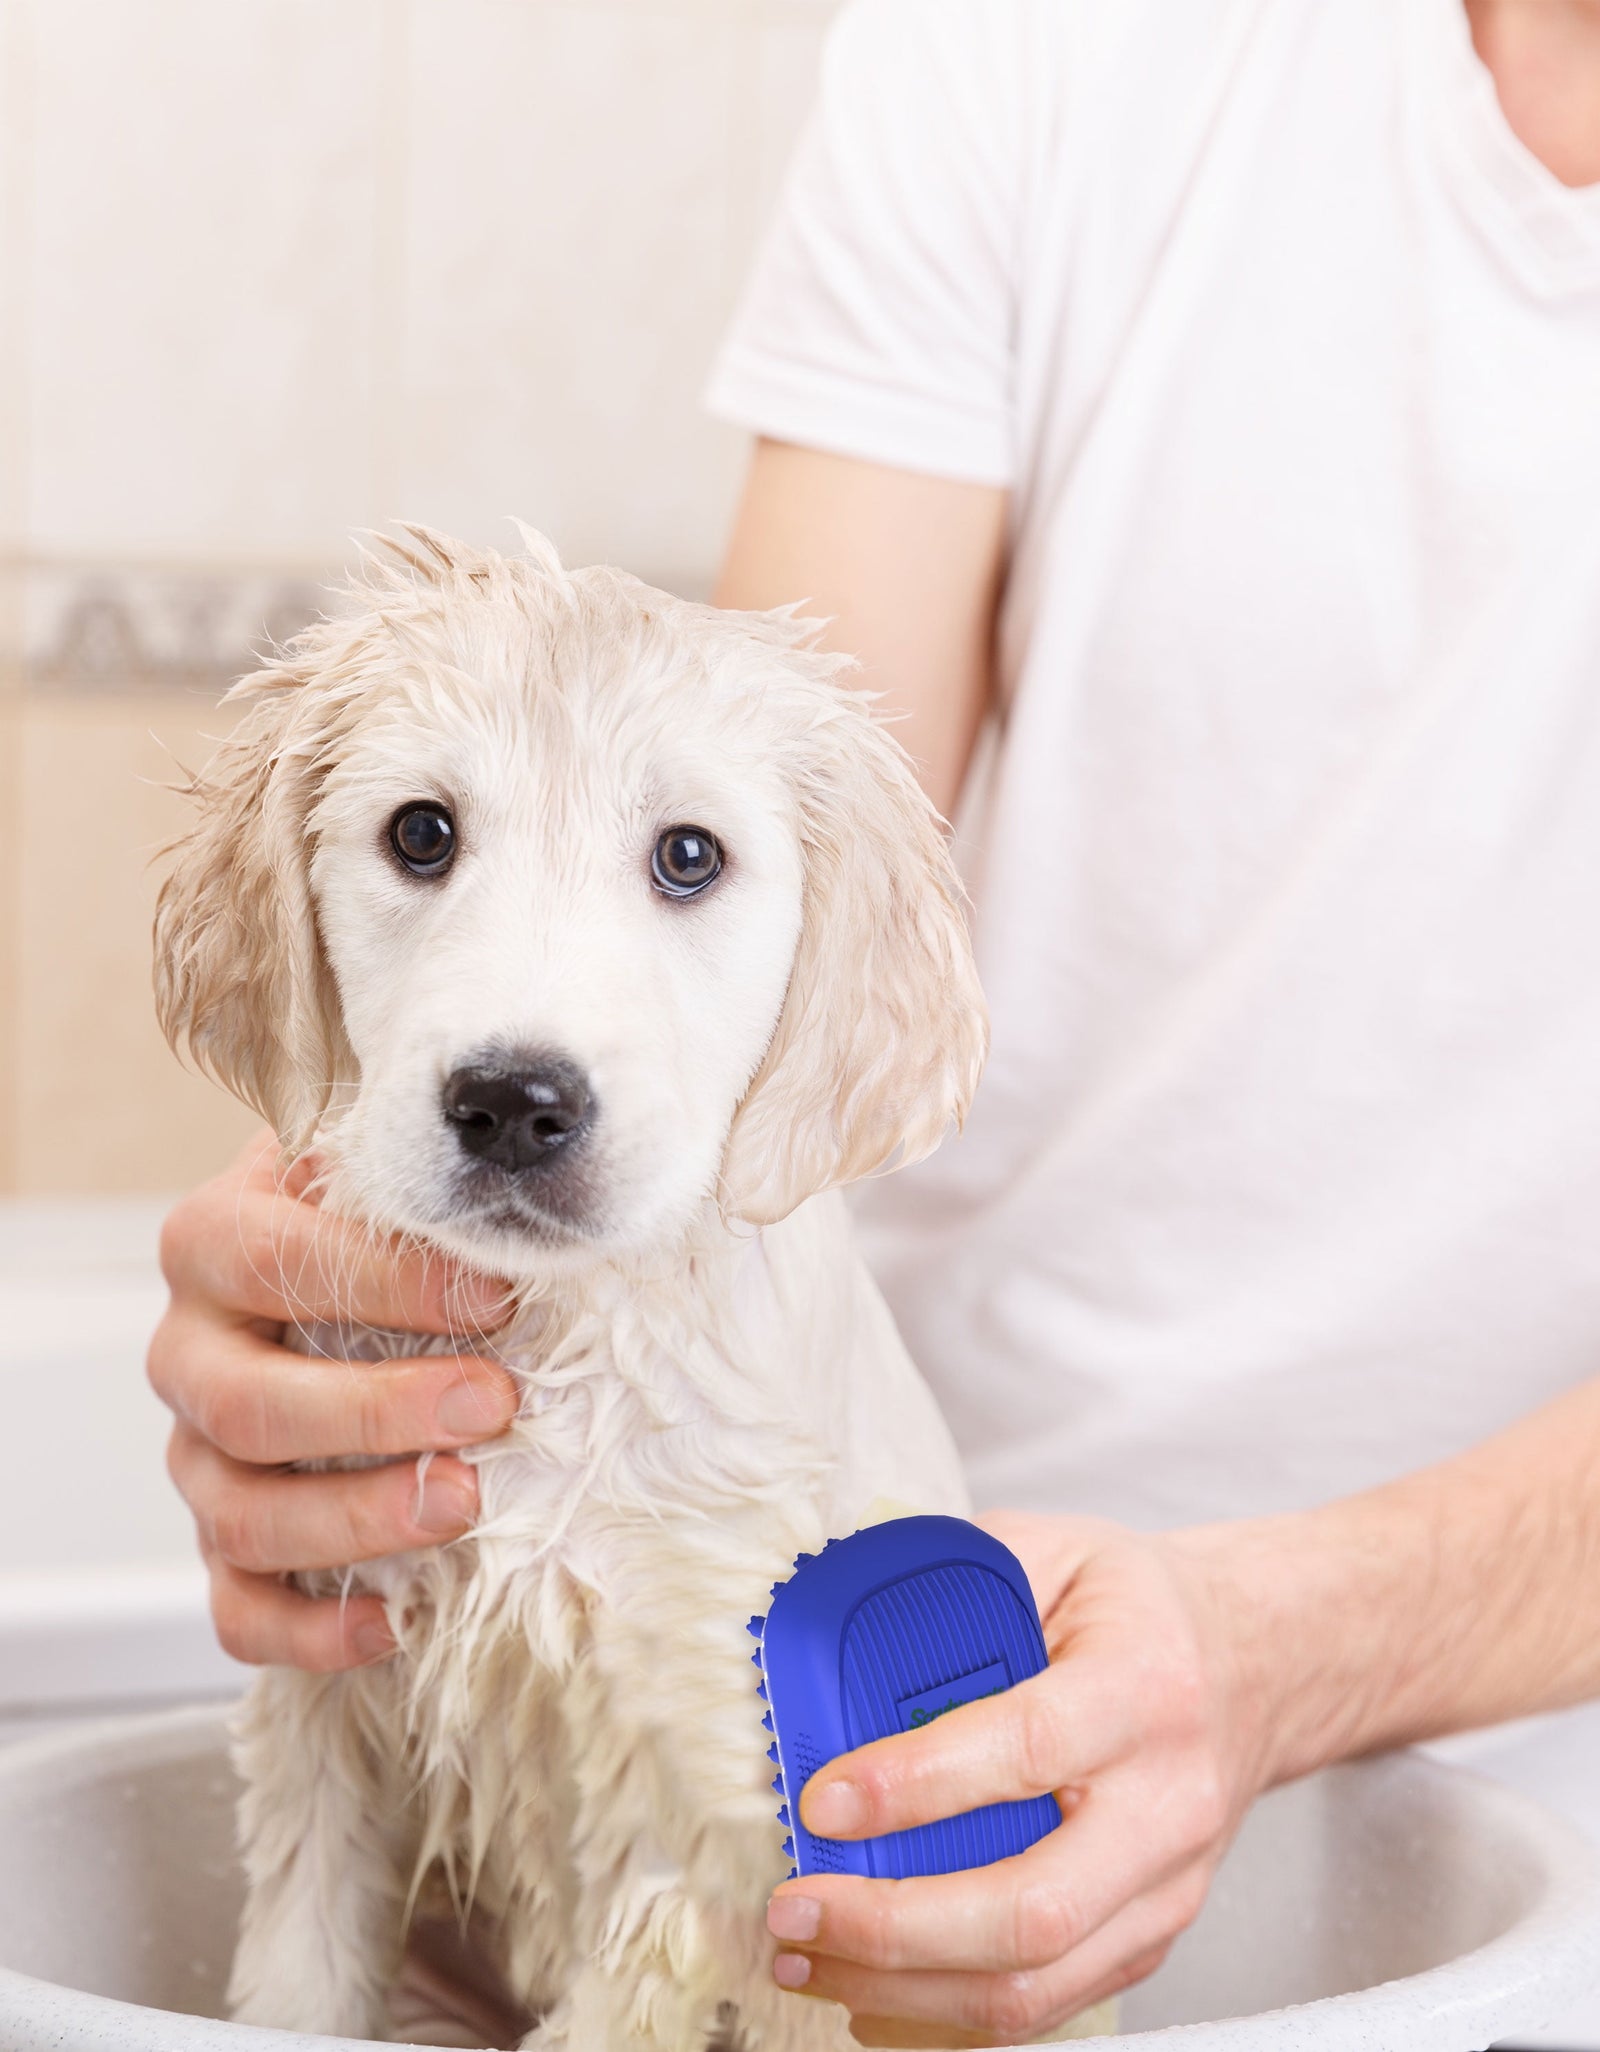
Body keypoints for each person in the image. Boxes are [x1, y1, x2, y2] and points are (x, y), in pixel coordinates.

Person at [147, 0, 1600, 2041]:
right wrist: (329, 1228)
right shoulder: (1028, 41)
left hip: (1546, 1779)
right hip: (872, 1614)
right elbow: (756, 826)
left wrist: (1289, 1642)